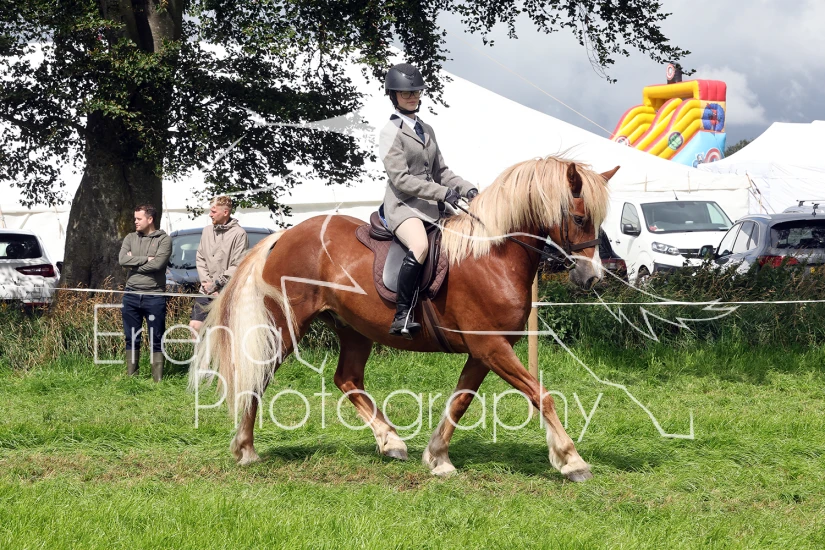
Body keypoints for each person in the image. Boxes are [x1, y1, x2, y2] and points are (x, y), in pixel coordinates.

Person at [379, 62, 479, 337]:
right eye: (406, 93)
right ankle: (402, 315)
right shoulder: (390, 133)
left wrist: (468, 190)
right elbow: (401, 179)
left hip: (433, 207)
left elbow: (441, 172)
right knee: (420, 245)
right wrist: (442, 193)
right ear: (394, 96)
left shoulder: (427, 129)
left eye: (416, 92)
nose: (412, 97)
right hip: (404, 206)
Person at [118, 204, 172, 381]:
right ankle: (132, 378)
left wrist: (134, 264)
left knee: (156, 337)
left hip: (154, 296)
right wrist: (145, 259)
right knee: (131, 337)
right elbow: (122, 260)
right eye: (135, 218)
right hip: (131, 294)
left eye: (138, 218)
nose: (135, 221)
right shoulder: (130, 238)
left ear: (150, 219)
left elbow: (158, 264)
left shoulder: (164, 240)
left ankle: (157, 380)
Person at [189, 196, 248, 333]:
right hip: (205, 290)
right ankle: (200, 349)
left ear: (225, 212)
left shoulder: (239, 234)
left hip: (227, 292)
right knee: (195, 326)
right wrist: (206, 283)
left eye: (214, 211)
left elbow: (238, 264)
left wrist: (217, 284)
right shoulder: (207, 231)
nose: (210, 214)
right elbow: (200, 257)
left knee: (223, 332)